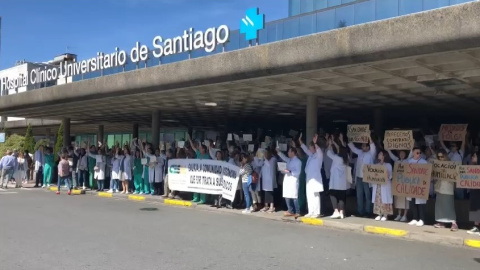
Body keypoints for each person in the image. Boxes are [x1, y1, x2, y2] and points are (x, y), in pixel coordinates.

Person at [348, 134, 376, 217]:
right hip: (359, 177)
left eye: (364, 146)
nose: (362, 147)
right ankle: (360, 211)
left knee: (367, 195)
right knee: (359, 195)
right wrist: (350, 138)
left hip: (367, 177)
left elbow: (373, 146)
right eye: (362, 146)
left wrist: (369, 137)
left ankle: (368, 211)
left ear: (368, 147)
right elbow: (353, 148)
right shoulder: (360, 152)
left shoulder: (371, 154)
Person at [433, 149, 459, 231]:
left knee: (449, 206)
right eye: (439, 157)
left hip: (448, 187)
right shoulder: (436, 165)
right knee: (440, 206)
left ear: (445, 156)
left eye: (442, 156)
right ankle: (441, 222)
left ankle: (454, 223)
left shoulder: (451, 164)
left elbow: (456, 175)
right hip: (439, 187)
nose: (440, 158)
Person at [299, 133, 324, 218]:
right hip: (309, 179)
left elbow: (319, 150)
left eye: (311, 147)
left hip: (315, 179)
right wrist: (300, 142)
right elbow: (305, 149)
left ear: (314, 148)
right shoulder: (311, 155)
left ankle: (316, 212)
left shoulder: (319, 155)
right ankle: (310, 211)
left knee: (315, 195)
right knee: (309, 195)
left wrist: (315, 143)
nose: (310, 149)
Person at [327, 136, 349, 219]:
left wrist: (330, 144)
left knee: (332, 195)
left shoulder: (337, 158)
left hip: (335, 182)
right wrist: (335, 142)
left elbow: (328, 153)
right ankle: (341, 212)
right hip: (343, 183)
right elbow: (342, 149)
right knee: (341, 197)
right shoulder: (346, 159)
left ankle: (336, 211)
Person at [277, 146, 302, 218]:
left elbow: (298, 172)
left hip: (293, 180)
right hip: (287, 180)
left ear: (293, 153)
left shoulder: (298, 161)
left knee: (294, 196)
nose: (288, 153)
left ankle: (297, 211)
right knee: (287, 195)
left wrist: (290, 171)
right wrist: (278, 152)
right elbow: (284, 157)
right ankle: (290, 210)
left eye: (289, 151)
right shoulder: (289, 160)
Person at [407, 147, 429, 227]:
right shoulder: (409, 162)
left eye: (420, 153)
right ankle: (415, 218)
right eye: (417, 153)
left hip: (420, 186)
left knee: (420, 204)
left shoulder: (424, 162)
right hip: (411, 185)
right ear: (413, 153)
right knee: (413, 202)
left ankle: (422, 219)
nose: (418, 154)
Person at [440, 134, 465, 200]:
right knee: (451, 194)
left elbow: (463, 144)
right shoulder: (449, 153)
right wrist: (440, 137)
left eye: (453, 146)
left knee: (459, 193)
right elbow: (443, 146)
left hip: (458, 176)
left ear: (457, 147)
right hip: (450, 176)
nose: (452, 147)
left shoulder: (460, 153)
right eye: (451, 146)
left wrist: (464, 135)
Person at [387, 149, 410, 222]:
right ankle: (399, 214)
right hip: (398, 183)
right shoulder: (396, 160)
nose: (402, 155)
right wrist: (388, 150)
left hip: (406, 183)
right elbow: (392, 156)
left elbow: (411, 154)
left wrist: (412, 147)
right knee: (398, 200)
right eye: (401, 153)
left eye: (403, 153)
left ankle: (405, 215)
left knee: (406, 200)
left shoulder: (408, 160)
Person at [188, 134, 210, 204]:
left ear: (204, 149)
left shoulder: (207, 156)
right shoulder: (198, 154)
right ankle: (196, 198)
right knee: (196, 185)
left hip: (204, 173)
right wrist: (190, 139)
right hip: (197, 173)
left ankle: (203, 199)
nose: (199, 149)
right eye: (199, 148)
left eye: (201, 148)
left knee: (202, 186)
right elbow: (192, 147)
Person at [373, 150, 393, 221]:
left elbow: (390, 176)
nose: (379, 155)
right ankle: (379, 214)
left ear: (384, 156)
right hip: (378, 185)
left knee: (385, 199)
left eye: (380, 154)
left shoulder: (388, 165)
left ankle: (385, 214)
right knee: (378, 199)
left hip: (385, 185)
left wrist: (387, 174)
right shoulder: (376, 165)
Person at [467, 151, 480, 235]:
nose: (473, 158)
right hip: (474, 191)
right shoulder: (472, 167)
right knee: (474, 207)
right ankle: (476, 226)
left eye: (474, 156)